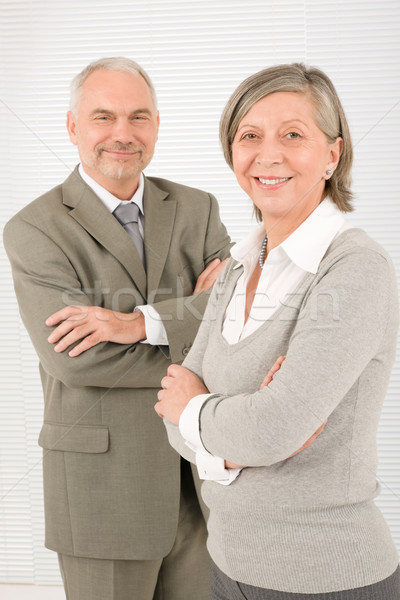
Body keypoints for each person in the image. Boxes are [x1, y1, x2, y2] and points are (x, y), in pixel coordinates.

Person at [154, 63, 400, 599]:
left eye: (293, 134)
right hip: (226, 565)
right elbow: (172, 412)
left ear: (332, 154)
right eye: (250, 136)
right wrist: (235, 427)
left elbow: (268, 429)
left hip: (327, 576)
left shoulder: (355, 267)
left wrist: (209, 415)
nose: (269, 155)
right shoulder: (239, 265)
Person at [3, 57, 233, 600]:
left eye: (139, 117)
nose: (123, 134)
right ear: (72, 126)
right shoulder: (36, 229)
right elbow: (76, 360)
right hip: (103, 491)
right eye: (103, 117)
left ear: (156, 125)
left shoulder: (198, 208)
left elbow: (242, 320)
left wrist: (137, 324)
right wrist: (194, 324)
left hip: (202, 484)